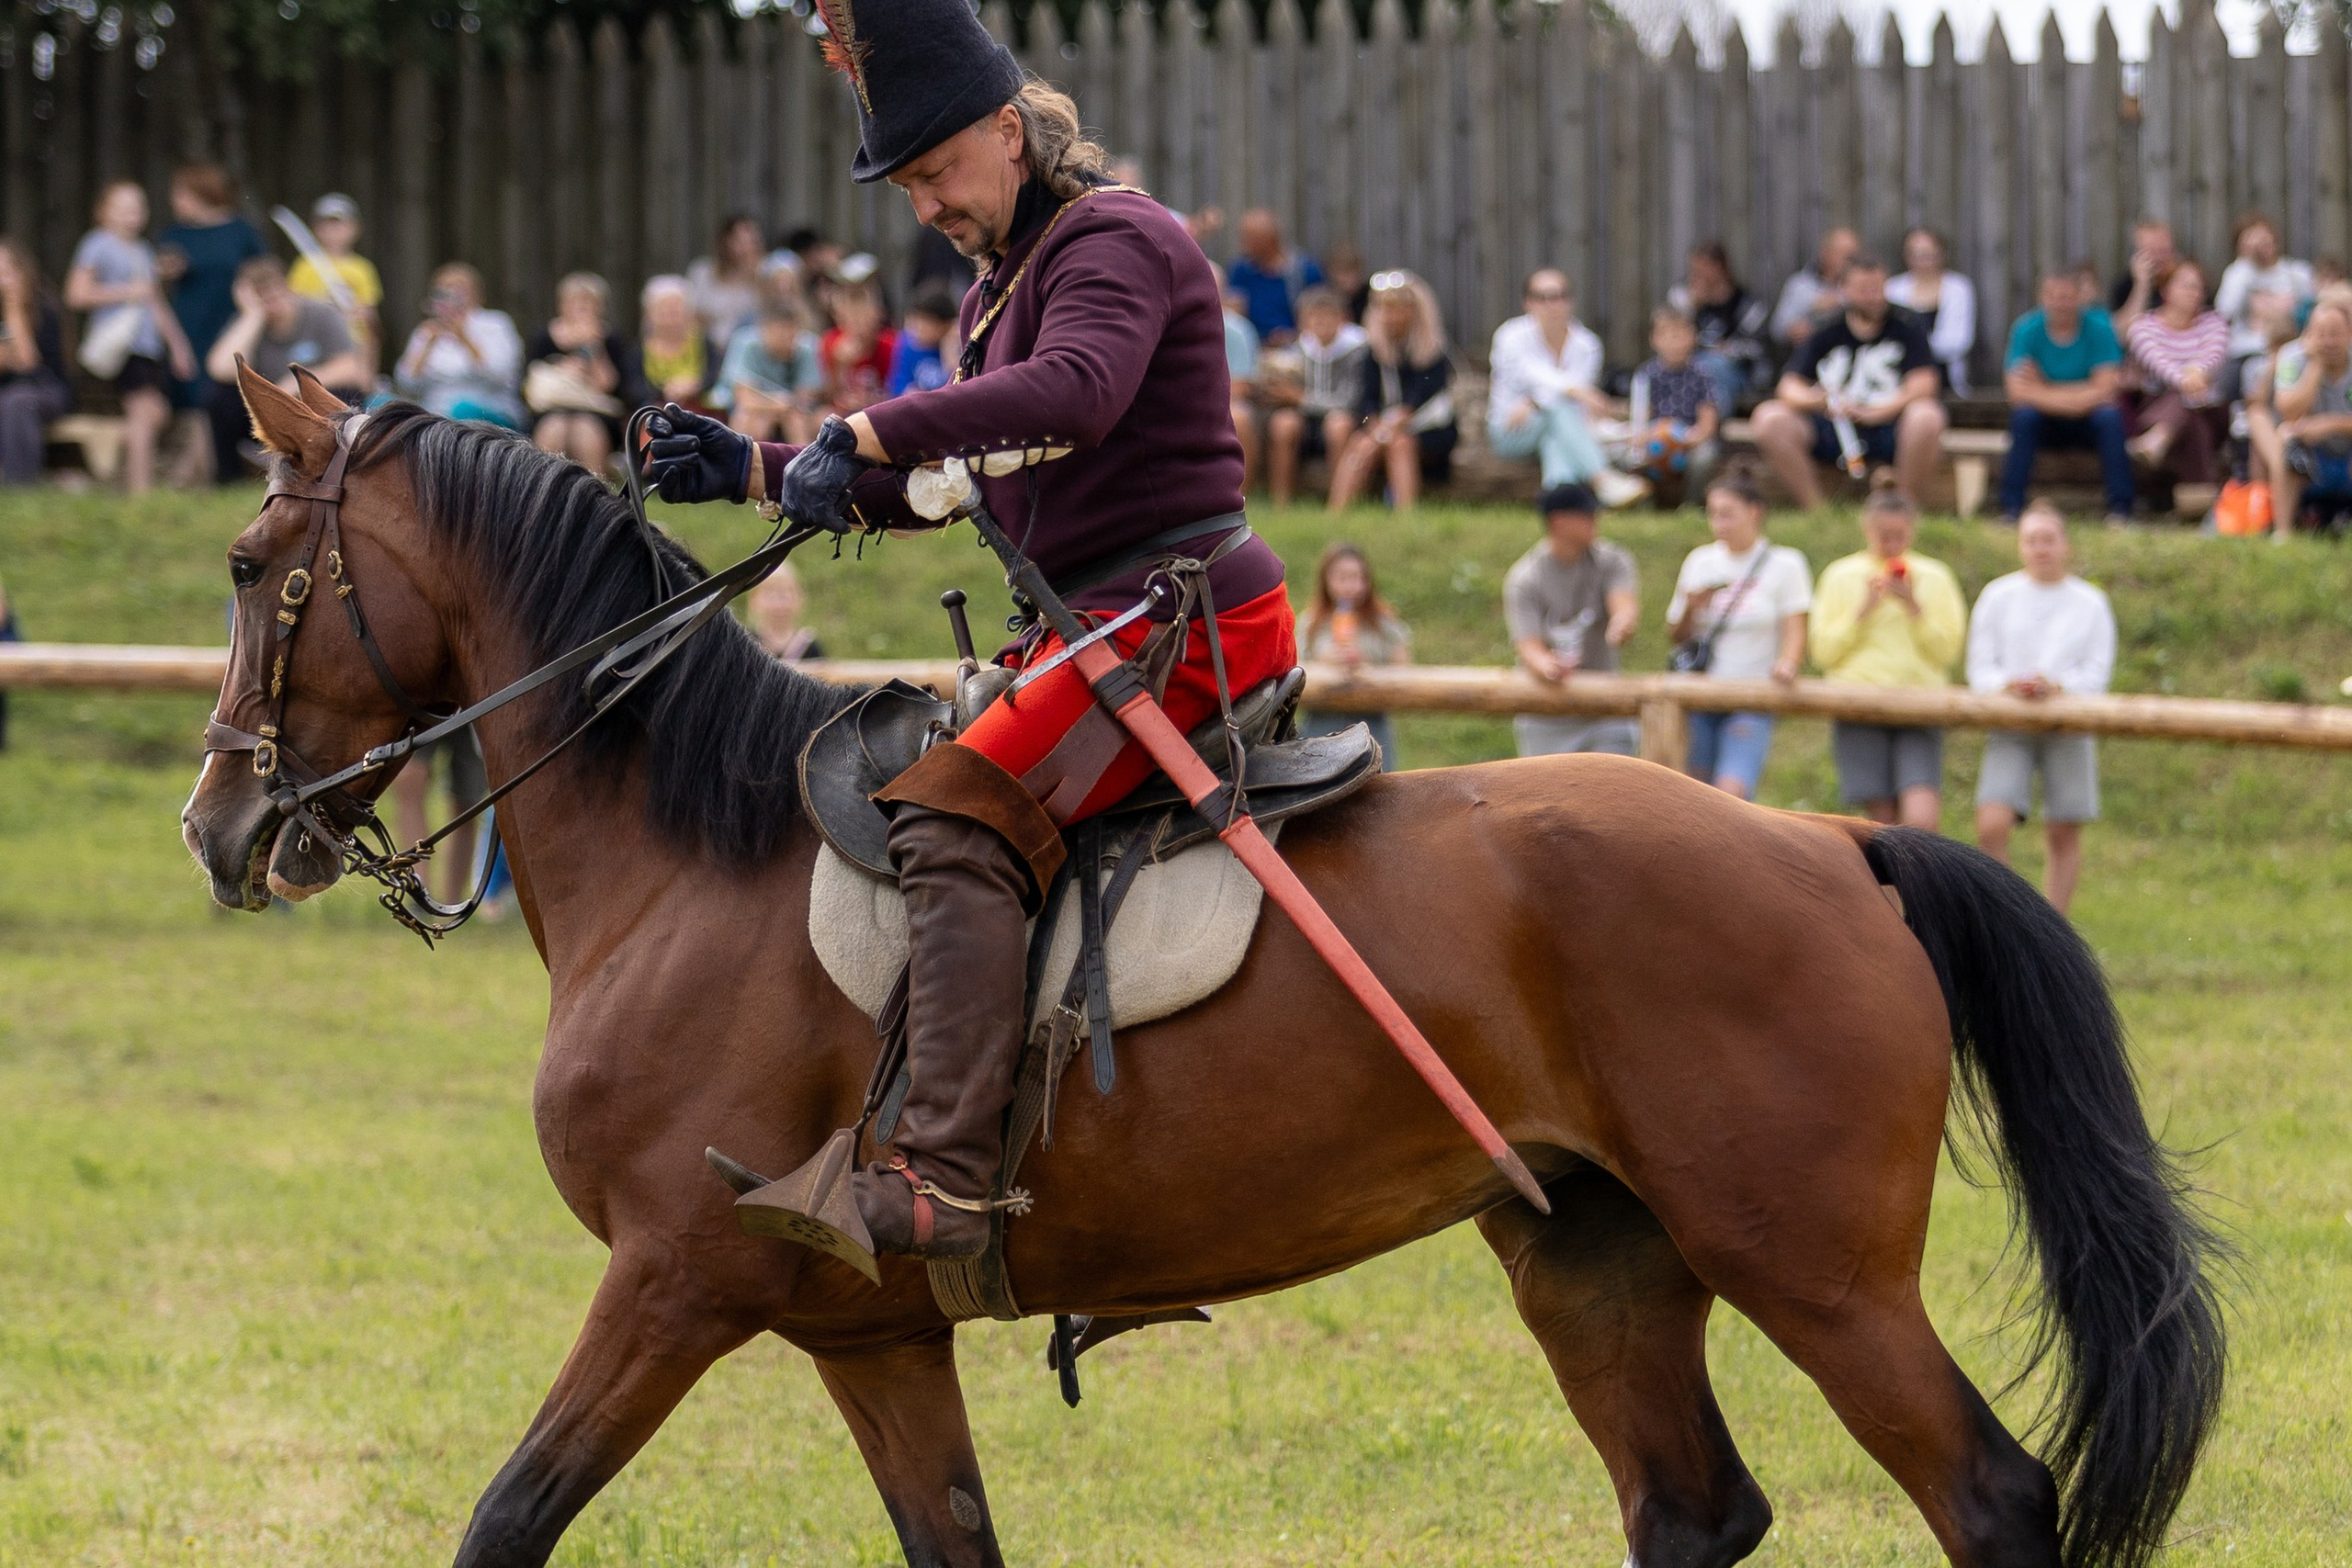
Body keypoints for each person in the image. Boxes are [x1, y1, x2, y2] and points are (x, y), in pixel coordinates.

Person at [636, 21, 1296, 1269]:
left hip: (1181, 619)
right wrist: (755, 468)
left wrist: (867, 424)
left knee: (951, 814)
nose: (927, 202)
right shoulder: (1002, 282)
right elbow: (938, 475)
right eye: (908, 186)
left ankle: (937, 1180)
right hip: (1103, 627)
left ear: (1011, 127)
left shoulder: (1117, 238)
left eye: (939, 169)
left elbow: (1076, 390)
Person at [1966, 501, 2115, 916]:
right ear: (2020, 546)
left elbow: (2097, 674)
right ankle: (2016, 917)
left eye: (2048, 539)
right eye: (2031, 540)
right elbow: (1980, 666)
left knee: (2063, 830)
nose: (2040, 549)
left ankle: (2056, 925)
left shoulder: (2090, 603)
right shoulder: (1998, 596)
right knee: (1991, 825)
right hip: (2010, 719)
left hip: (2069, 722)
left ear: (2065, 545)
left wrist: (2060, 688)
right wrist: (2007, 687)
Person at [1808, 475, 1966, 830]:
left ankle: (1923, 885)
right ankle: (1884, 889)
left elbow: (1947, 652)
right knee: (1879, 823)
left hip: (1919, 704)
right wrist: (1862, 612)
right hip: (1858, 703)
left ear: (1913, 530)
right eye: (1884, 536)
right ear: (1867, 528)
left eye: (1901, 536)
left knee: (1922, 818)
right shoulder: (1841, 576)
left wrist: (1913, 607)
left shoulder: (1935, 577)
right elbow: (1823, 652)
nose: (1892, 544)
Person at [1751, 254, 1946, 508]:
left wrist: (1877, 412)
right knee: (1769, 417)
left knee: (1927, 416)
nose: (1874, 297)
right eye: (1864, 290)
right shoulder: (1824, 326)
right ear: (1844, 290)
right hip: (1833, 423)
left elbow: (1925, 384)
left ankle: (1901, 510)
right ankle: (1817, 511)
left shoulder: (1908, 323)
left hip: (1891, 423)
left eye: (1878, 289)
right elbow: (1788, 387)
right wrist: (1820, 400)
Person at [1664, 464, 1812, 798]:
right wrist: (1692, 608)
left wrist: (1788, 663)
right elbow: (1677, 636)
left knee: (1732, 794)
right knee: (1692, 792)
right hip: (1699, 694)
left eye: (1728, 514)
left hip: (1752, 693)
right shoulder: (1700, 561)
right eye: (1714, 514)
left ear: (1754, 512)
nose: (1719, 524)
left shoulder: (1786, 564)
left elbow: (1795, 626)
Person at [65, 181, 194, 493]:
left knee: (155, 413)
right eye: (123, 209)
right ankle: (140, 490)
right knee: (142, 413)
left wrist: (177, 346)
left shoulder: (142, 250)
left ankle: (117, 477)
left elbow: (156, 303)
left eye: (137, 208)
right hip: (123, 345)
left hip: (147, 346)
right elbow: (76, 294)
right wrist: (128, 291)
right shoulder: (97, 243)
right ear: (103, 213)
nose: (131, 215)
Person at [1484, 268, 1644, 506]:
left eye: (1559, 296)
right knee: (1559, 410)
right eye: (1542, 298)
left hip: (1561, 425)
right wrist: (1573, 392)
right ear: (1528, 303)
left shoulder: (1587, 345)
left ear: (1570, 301)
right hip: (1510, 431)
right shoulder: (1510, 336)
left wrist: (1535, 402)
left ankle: (1559, 505)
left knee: (1555, 435)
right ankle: (1602, 479)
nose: (1552, 305)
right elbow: (1535, 375)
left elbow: (1565, 399)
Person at [1504, 481, 1640, 757]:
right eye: (1586, 514)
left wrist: (1622, 623)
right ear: (1558, 521)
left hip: (1605, 708)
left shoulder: (1613, 561)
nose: (1595, 520)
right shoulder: (1525, 578)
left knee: (1612, 794)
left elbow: (1623, 603)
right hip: (1547, 712)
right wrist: (1549, 667)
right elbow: (1528, 645)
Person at [203, 255, 366, 476]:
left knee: (345, 395)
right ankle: (229, 478)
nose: (273, 301)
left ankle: (337, 471)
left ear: (288, 288)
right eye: (263, 296)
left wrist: (296, 383)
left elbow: (350, 369)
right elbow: (219, 370)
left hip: (311, 404)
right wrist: (253, 315)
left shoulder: (320, 314)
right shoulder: (248, 325)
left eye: (276, 292)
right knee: (220, 397)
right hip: (268, 409)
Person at [158, 164, 268, 481]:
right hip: (188, 330)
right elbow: (155, 283)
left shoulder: (241, 231)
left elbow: (261, 271)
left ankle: (194, 476)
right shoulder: (174, 234)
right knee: (194, 403)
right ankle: (197, 476)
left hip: (231, 327)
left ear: (202, 194)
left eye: (181, 193)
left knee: (216, 395)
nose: (175, 200)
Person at [1999, 268, 2133, 524]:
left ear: (2080, 298)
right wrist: (2083, 393)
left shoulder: (2100, 327)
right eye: (2054, 296)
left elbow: (2108, 389)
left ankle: (2121, 509)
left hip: (2088, 422)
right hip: (2046, 422)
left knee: (2110, 418)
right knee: (2023, 417)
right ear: (2042, 298)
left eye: (2067, 296)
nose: (2061, 303)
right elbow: (2016, 393)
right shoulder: (2026, 329)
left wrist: (2043, 388)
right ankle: (2011, 509)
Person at [1329, 269, 1455, 511]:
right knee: (1361, 442)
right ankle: (1336, 513)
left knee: (1400, 444)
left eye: (1398, 309)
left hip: (1428, 432)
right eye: (1385, 309)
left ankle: (1404, 515)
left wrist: (1385, 431)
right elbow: (1367, 400)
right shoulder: (1373, 353)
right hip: (1385, 429)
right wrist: (1376, 426)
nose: (1391, 317)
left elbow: (1419, 401)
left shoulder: (1433, 354)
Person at [1295, 541, 1410, 766]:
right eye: (1343, 578)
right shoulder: (1311, 622)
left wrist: (1367, 664)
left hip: (1371, 728)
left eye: (1358, 578)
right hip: (1321, 728)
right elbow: (1293, 671)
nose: (1352, 586)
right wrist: (1323, 662)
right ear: (1326, 581)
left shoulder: (1383, 621)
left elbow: (1405, 670)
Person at [2121, 259, 2230, 491]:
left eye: (2198, 287)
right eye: (2185, 285)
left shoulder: (2214, 323)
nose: (2193, 293)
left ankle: (2158, 439)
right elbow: (2158, 364)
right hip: (2158, 408)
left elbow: (2213, 358)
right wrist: (2186, 380)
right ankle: (2199, 499)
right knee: (2191, 417)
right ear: (2165, 290)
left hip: (2211, 409)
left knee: (2188, 402)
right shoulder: (2143, 327)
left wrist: (2195, 375)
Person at [1264, 284, 1366, 504]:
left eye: (1328, 317)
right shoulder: (1297, 349)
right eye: (1314, 318)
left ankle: (1339, 500)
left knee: (1338, 425)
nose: (1321, 324)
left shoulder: (1357, 351)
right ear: (1302, 322)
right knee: (1283, 423)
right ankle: (1281, 501)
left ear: (1343, 319)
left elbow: (1349, 402)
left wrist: (1301, 399)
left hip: (1341, 418)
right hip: (1306, 421)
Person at [393, 262, 526, 427]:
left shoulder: (495, 324)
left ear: (477, 294)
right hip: (433, 410)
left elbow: (502, 376)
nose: (451, 295)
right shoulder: (427, 330)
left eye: (458, 289)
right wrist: (426, 346)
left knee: (460, 410)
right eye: (443, 290)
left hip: (489, 408)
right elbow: (406, 384)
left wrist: (464, 338)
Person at [525, 272, 633, 472]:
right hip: (551, 408)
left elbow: (612, 387)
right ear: (562, 305)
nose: (580, 309)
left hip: (595, 412)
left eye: (587, 303)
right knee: (554, 429)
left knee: (585, 430)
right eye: (574, 302)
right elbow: (529, 383)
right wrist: (561, 367)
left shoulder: (610, 339)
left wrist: (593, 349)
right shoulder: (543, 337)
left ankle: (593, 493)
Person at [2263, 296, 2352, 535]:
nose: (2328, 341)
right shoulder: (2291, 356)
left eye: (2335, 333)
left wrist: (2329, 425)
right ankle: (2283, 533)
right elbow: (2287, 411)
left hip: (2348, 455)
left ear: (2350, 333)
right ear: (2308, 334)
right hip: (2311, 459)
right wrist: (2315, 365)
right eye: (2320, 333)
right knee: (2285, 435)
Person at [1623, 304, 1723, 502]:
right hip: (1654, 438)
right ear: (1655, 339)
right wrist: (1654, 436)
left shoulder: (1702, 374)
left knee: (1704, 458)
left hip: (1690, 439)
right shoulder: (1646, 375)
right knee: (1628, 458)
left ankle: (1691, 504)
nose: (1675, 341)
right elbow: (1641, 419)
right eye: (1669, 335)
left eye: (1681, 334)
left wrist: (1689, 438)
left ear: (1693, 337)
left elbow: (1707, 420)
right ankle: (1646, 502)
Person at [285, 193, 383, 380]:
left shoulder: (363, 269)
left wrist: (369, 368)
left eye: (339, 224)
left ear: (355, 228)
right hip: (314, 346)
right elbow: (294, 305)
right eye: (327, 224)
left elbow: (370, 322)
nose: (333, 230)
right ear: (316, 229)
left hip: (352, 346)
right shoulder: (304, 265)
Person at [1668, 241, 1772, 412]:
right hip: (1690, 364)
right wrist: (1693, 307)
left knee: (1715, 366)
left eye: (1703, 270)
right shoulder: (1684, 297)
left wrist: (1727, 350)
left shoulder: (1747, 306)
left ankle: (1710, 424)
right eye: (1694, 270)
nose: (1696, 276)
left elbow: (1758, 349)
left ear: (1720, 268)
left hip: (1735, 374)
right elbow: (1668, 332)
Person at [0, 239, 70, 486]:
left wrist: (14, 310)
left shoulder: (43, 307)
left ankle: (20, 487)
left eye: (9, 272)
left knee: (16, 402)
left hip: (45, 389)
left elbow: (28, 362)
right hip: (9, 390)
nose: (4, 281)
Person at [713, 293, 825, 444]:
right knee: (749, 419)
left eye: (792, 331)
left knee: (806, 420)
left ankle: (805, 465)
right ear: (764, 329)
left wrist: (785, 407)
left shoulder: (807, 347)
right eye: (780, 330)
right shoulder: (745, 343)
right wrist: (776, 405)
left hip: (793, 412)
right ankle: (746, 465)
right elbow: (745, 397)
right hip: (757, 410)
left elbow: (806, 397)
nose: (787, 337)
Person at [2215, 213, 2313, 378]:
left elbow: (2312, 310)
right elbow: (2225, 312)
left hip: (2292, 348)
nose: (2260, 245)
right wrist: (2246, 262)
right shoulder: (2237, 273)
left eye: (2264, 238)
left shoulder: (2297, 273)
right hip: (2248, 352)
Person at [1884, 227, 1977, 395]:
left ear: (1941, 254)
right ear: (1906, 256)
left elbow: (1958, 342)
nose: (1923, 261)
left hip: (1946, 378)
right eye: (1916, 255)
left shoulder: (1959, 288)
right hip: (1898, 379)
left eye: (1928, 255)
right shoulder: (1892, 288)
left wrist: (1913, 347)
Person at [1226, 209, 1322, 344]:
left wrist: (1292, 336)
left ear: (1270, 240)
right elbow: (1234, 315)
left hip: (1298, 347)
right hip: (1253, 345)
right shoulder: (1241, 271)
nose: (1243, 245)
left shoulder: (1304, 271)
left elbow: (1319, 314)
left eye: (1250, 239)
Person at [820, 270, 897, 414]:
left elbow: (897, 393)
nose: (858, 324)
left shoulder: (892, 344)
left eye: (863, 316)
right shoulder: (830, 342)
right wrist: (839, 366)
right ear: (838, 318)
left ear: (878, 314)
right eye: (850, 318)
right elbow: (828, 396)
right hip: (843, 416)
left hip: (880, 414)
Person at [638, 273, 716, 412]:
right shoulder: (638, 350)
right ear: (649, 313)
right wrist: (665, 391)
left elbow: (716, 376)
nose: (669, 315)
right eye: (663, 308)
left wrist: (695, 386)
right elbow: (633, 390)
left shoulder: (704, 342)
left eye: (675, 308)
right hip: (656, 413)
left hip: (700, 413)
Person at [687, 212, 769, 344]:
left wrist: (755, 277)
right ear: (725, 241)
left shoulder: (766, 272)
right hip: (708, 346)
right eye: (739, 241)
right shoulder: (702, 271)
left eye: (751, 242)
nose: (745, 248)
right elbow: (692, 315)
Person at [1770, 225, 1859, 349]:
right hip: (1808, 355)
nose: (1850, 262)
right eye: (1846, 255)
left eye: (1854, 256)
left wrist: (1842, 300)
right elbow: (1777, 330)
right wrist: (1809, 310)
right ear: (1826, 253)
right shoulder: (1800, 285)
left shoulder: (1859, 286)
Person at [1222, 282, 1263, 491]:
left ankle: (1240, 494)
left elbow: (1242, 385)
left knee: (1240, 417)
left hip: (1228, 400)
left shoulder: (1238, 330)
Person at [886, 281, 960, 397]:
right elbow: (898, 386)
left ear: (945, 324)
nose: (919, 328)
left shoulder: (955, 346)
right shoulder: (908, 345)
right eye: (916, 320)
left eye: (926, 322)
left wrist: (949, 351)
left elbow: (959, 387)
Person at [2109, 216, 2180, 333]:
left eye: (2163, 250)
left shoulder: (2188, 280)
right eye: (2152, 251)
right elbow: (2121, 333)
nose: (2159, 258)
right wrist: (2142, 285)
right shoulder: (2124, 287)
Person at [748, 561, 826, 660]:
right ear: (753, 600)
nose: (778, 604)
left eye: (785, 595)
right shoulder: (746, 644)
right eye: (770, 595)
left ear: (800, 598)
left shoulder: (809, 646)